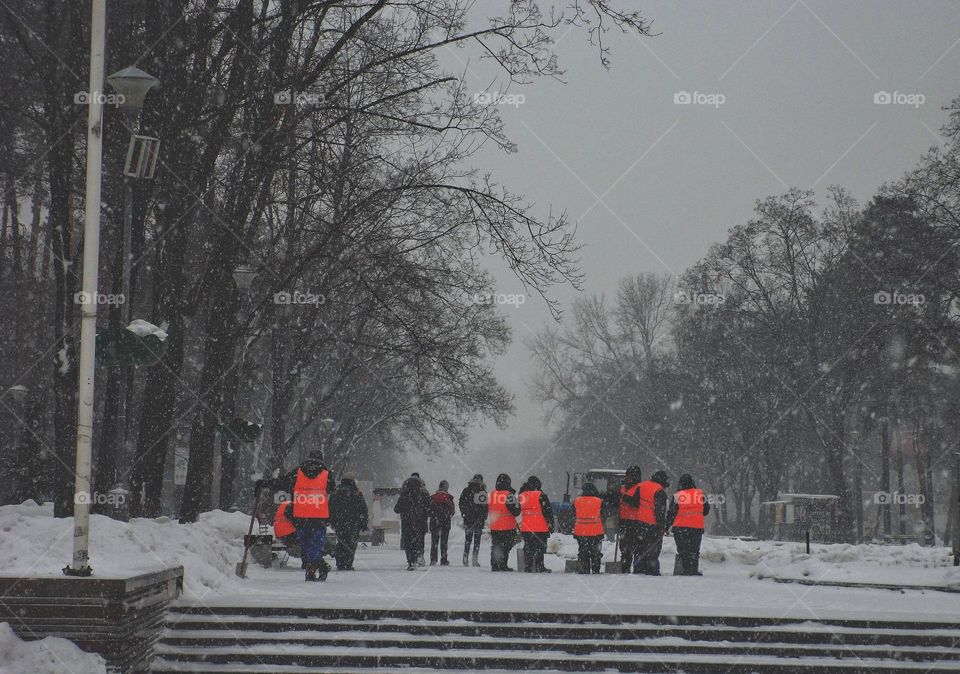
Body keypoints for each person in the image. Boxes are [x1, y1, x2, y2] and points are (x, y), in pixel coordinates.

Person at [257, 450, 335, 582]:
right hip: (319, 516)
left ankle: (314, 568)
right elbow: (332, 489)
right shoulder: (326, 474)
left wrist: (264, 483)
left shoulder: (297, 473)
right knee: (316, 544)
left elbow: (281, 483)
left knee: (306, 543)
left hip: (301, 515)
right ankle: (315, 567)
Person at [669, 473, 710, 576]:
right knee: (694, 551)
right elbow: (706, 511)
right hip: (696, 527)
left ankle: (683, 569)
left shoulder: (677, 495)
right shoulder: (701, 494)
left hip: (680, 528)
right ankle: (693, 570)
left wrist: (667, 526)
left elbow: (672, 513)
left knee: (683, 550)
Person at [329, 472, 369, 571]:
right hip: (353, 523)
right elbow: (363, 509)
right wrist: (364, 522)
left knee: (341, 542)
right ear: (353, 481)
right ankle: (348, 563)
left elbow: (330, 507)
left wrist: (332, 521)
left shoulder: (336, 492)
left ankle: (340, 562)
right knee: (351, 544)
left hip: (339, 523)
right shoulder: (357, 492)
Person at [635, 470, 670, 576]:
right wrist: (662, 526)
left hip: (639, 523)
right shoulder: (659, 491)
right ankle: (652, 570)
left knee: (639, 548)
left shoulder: (641, 485)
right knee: (653, 550)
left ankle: (638, 569)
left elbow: (635, 502)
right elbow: (660, 511)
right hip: (653, 525)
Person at [394, 475, 431, 570]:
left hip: (407, 523)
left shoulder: (405, 495)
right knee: (418, 541)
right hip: (420, 523)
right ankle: (418, 556)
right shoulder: (424, 494)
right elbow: (429, 508)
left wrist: (405, 509)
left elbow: (396, 509)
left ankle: (411, 561)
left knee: (408, 543)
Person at [518, 476, 554, 573]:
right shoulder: (541, 495)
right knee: (539, 548)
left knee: (528, 547)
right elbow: (548, 512)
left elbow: (518, 509)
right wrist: (550, 524)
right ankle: (540, 566)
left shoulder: (522, 495)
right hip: (540, 527)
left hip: (526, 528)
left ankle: (528, 566)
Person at [488, 473, 520, 571]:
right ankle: (503, 565)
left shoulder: (492, 494)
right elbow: (516, 512)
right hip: (507, 526)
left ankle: (494, 565)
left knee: (496, 546)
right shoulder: (509, 495)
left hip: (494, 526)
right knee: (506, 547)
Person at [618, 465, 644, 574]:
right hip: (624, 521)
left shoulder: (639, 488)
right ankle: (625, 568)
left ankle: (637, 570)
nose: (626, 478)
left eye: (628, 476)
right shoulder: (623, 488)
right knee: (624, 549)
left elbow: (636, 503)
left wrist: (623, 497)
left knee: (635, 548)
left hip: (635, 522)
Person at [574, 482, 604, 574]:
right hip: (596, 531)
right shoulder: (599, 501)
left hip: (581, 532)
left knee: (583, 552)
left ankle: (584, 569)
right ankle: (596, 570)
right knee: (596, 552)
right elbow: (604, 514)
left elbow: (573, 514)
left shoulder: (577, 501)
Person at [458, 474, 487, 566]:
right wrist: (483, 517)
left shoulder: (466, 490)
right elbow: (485, 507)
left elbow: (461, 502)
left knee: (468, 540)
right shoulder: (482, 492)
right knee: (477, 541)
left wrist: (464, 513)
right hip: (478, 520)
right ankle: (475, 559)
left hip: (468, 519)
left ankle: (465, 557)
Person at [429, 480, 456, 565]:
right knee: (444, 542)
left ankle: (433, 559)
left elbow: (428, 510)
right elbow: (452, 511)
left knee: (434, 541)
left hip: (434, 522)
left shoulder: (433, 497)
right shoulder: (448, 498)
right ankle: (443, 560)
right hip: (445, 522)